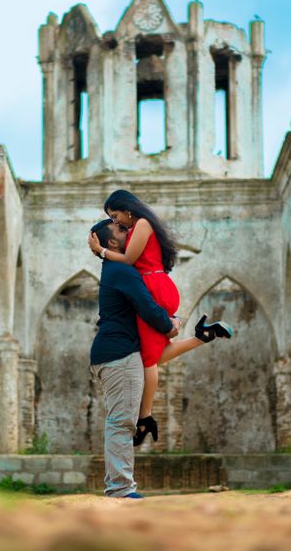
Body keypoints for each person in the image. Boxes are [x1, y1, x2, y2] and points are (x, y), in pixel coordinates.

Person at [88, 190, 232, 448]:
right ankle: (203, 336)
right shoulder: (136, 228)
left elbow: (129, 260)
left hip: (153, 287)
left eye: (115, 215)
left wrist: (100, 252)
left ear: (127, 209)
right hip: (154, 286)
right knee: (152, 354)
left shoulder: (142, 224)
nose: (116, 221)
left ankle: (146, 418)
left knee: (146, 359)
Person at [89, 218, 179, 498]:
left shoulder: (115, 268)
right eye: (121, 230)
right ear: (113, 242)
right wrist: (169, 326)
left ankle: (119, 487)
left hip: (111, 352)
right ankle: (121, 489)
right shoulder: (121, 270)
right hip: (119, 354)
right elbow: (147, 306)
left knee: (120, 420)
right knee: (121, 422)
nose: (128, 230)